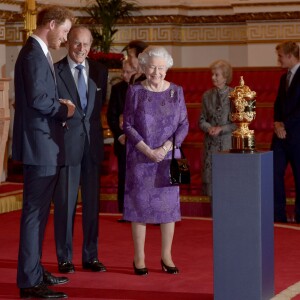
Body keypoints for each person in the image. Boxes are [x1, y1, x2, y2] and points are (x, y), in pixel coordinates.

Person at [12, 5, 75, 299]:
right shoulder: (33, 54)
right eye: (64, 32)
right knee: (34, 214)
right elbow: (39, 100)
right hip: (40, 147)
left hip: (43, 146)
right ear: (50, 25)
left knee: (37, 214)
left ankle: (34, 271)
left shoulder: (36, 52)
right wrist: (65, 109)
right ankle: (29, 281)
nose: (64, 39)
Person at [122, 46, 189, 275]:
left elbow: (184, 124)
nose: (157, 72)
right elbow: (127, 124)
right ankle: (139, 258)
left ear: (167, 68)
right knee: (139, 208)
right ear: (144, 66)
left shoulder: (176, 92)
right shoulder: (135, 92)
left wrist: (165, 148)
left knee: (169, 209)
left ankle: (166, 256)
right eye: (152, 67)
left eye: (161, 67)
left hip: (169, 158)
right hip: (141, 158)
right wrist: (148, 150)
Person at [53, 25, 108, 273]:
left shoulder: (100, 71)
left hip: (92, 146)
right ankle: (64, 257)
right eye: (77, 43)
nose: (81, 49)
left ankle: (91, 256)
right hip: (66, 145)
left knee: (92, 205)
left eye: (86, 44)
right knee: (65, 204)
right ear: (68, 43)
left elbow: (96, 113)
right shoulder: (55, 71)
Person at [198, 60, 236, 197]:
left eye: (216, 75)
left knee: (227, 185)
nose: (212, 77)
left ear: (225, 77)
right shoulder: (207, 96)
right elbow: (201, 120)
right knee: (212, 188)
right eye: (212, 74)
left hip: (227, 144)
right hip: (210, 146)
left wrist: (221, 129)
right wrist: (209, 128)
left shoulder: (234, 95)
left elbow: (238, 123)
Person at [272, 41, 300, 223]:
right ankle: (278, 217)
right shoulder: (284, 78)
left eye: (281, 56)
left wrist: (284, 126)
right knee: (273, 173)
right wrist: (276, 124)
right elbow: (277, 105)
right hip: (280, 137)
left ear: (290, 56)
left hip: (298, 136)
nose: (278, 59)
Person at [107, 59, 135, 221]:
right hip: (123, 141)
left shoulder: (142, 87)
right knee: (124, 177)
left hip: (141, 143)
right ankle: (125, 211)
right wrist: (119, 135)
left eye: (127, 71)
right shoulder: (117, 89)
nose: (124, 75)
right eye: (123, 71)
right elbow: (111, 116)